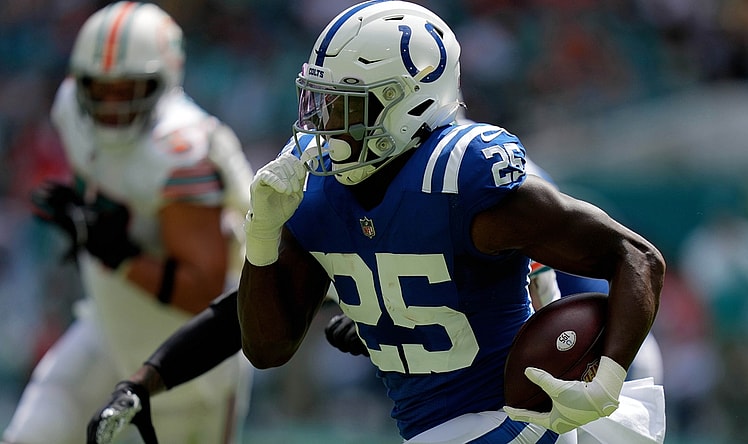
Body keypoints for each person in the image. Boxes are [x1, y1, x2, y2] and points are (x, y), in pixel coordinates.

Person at [237, 1, 665, 443]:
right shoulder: (314, 190)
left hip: (515, 416)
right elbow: (267, 348)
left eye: (345, 108)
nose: (324, 126)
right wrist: (262, 235)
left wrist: (609, 377)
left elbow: (635, 257)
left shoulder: (460, 178)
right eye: (321, 103)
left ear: (407, 104)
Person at [2, 2, 254, 444]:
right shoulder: (71, 112)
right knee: (31, 435)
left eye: (128, 89)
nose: (113, 104)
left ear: (165, 81)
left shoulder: (181, 151)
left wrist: (119, 256)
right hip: (105, 325)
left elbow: (203, 292)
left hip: (186, 369)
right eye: (102, 90)